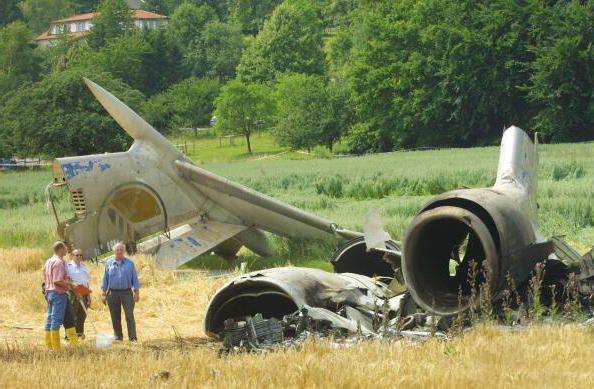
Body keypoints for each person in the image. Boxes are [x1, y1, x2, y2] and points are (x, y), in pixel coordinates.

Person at [101, 242, 140, 341]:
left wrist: (136, 292)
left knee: (129, 315)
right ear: (114, 251)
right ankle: (118, 337)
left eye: (121, 250)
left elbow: (135, 279)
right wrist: (103, 293)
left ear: (124, 251)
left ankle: (133, 338)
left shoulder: (130, 264)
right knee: (115, 317)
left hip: (127, 293)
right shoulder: (108, 263)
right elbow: (104, 279)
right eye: (117, 250)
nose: (119, 251)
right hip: (112, 293)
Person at [42, 241, 78, 349]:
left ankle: (73, 344)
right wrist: (70, 283)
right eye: (65, 247)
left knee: (65, 317)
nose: (67, 249)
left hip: (50, 293)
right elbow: (57, 280)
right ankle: (55, 348)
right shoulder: (58, 262)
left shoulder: (49, 261)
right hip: (58, 294)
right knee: (55, 319)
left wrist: (67, 281)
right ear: (60, 249)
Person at [66, 249, 91, 339]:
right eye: (77, 255)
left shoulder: (83, 266)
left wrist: (88, 296)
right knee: (72, 315)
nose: (79, 257)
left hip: (83, 291)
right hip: (73, 292)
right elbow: (68, 281)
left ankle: (79, 333)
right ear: (72, 256)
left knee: (82, 315)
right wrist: (76, 292)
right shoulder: (68, 267)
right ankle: (70, 336)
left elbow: (86, 282)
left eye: (81, 255)